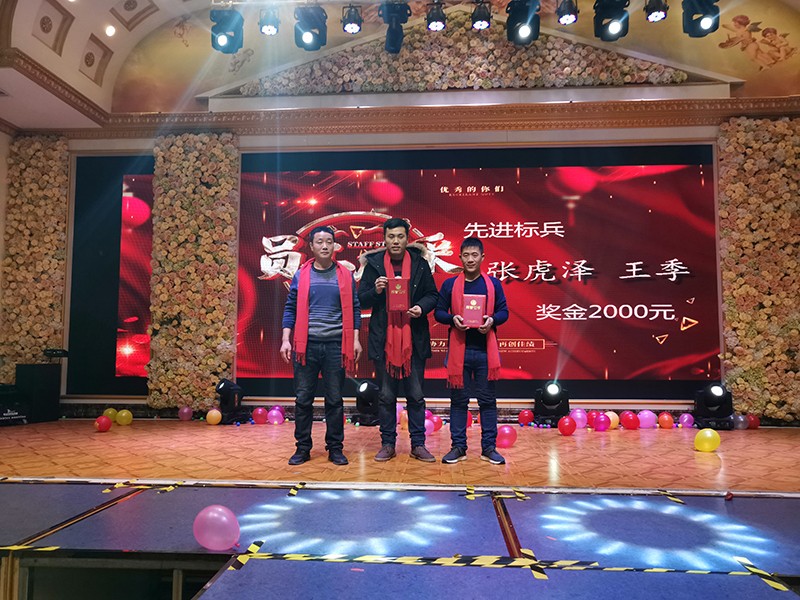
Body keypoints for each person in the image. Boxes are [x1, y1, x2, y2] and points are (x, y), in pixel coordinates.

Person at [358, 218, 438, 462]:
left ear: (407, 238)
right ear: (384, 238)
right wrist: (376, 291)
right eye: (391, 236)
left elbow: (432, 295)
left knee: (416, 396)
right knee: (385, 397)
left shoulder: (420, 264)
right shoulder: (373, 265)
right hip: (384, 341)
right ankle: (387, 444)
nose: (395, 241)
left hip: (413, 340)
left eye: (400, 236)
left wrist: (420, 308)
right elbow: (360, 299)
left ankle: (418, 445)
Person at [281, 226, 362, 466]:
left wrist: (356, 339)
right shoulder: (301, 275)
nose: (325, 246)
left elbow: (355, 308)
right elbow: (290, 308)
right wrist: (286, 339)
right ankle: (302, 448)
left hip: (336, 345)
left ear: (335, 246)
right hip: (306, 347)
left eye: (329, 241)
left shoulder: (345, 275)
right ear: (312, 246)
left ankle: (335, 448)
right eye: (319, 242)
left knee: (334, 400)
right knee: (303, 399)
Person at [435, 237, 509, 465]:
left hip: (485, 352)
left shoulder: (493, 284)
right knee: (459, 402)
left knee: (487, 402)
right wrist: (453, 319)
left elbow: (504, 312)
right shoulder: (450, 285)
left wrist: (492, 320)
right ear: (460, 257)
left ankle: (489, 448)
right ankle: (458, 447)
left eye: (474, 255)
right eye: (466, 255)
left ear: (482, 257)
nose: (470, 259)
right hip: (460, 352)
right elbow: (438, 312)